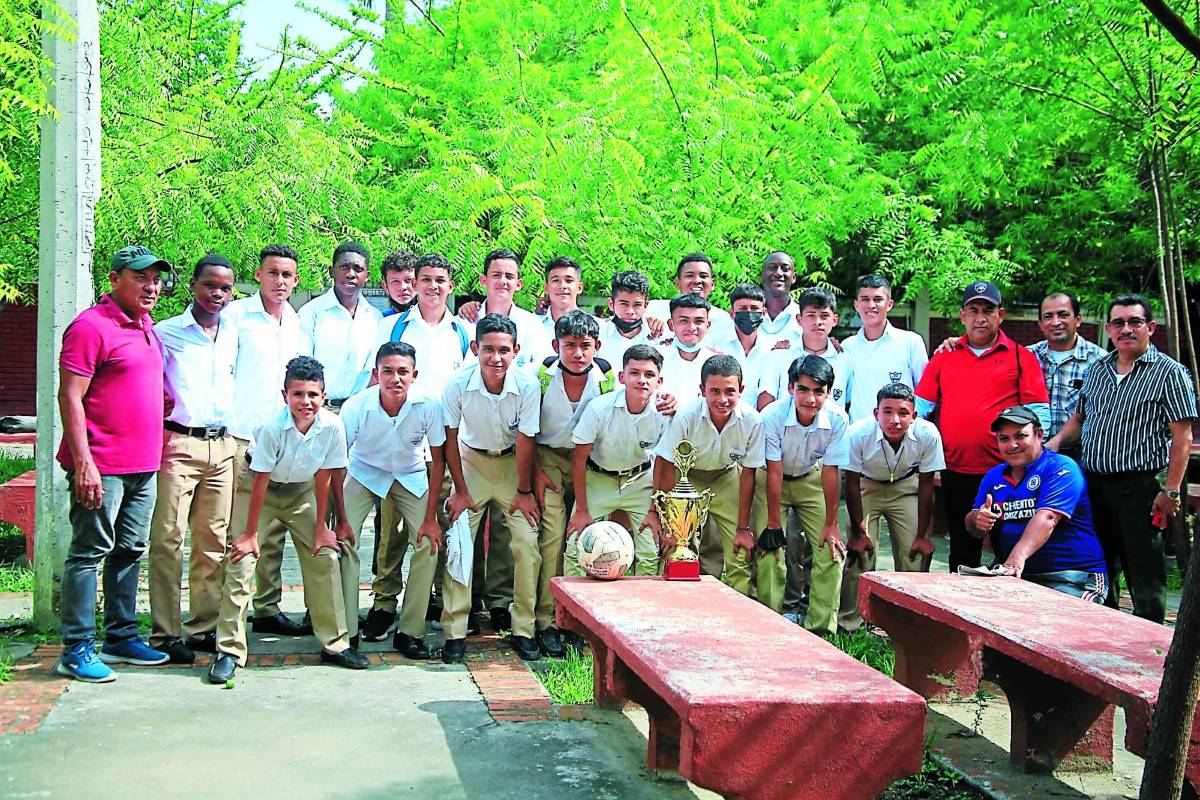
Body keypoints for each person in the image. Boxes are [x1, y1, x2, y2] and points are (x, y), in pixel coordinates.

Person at [56, 245, 172, 682]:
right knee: (89, 553)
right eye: (140, 277)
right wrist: (83, 462)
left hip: (144, 463)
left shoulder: (146, 326)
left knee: (130, 550)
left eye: (156, 279)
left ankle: (121, 637)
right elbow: (70, 396)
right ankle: (77, 647)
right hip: (102, 464)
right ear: (115, 280)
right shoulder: (91, 326)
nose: (151, 287)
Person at [216, 356, 368, 682]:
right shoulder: (272, 428)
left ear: (324, 396)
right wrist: (251, 534)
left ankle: (335, 644)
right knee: (242, 561)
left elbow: (328, 475)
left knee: (325, 555)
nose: (306, 402)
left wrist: (322, 528)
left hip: (301, 492)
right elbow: (259, 482)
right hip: (261, 491)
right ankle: (229, 649)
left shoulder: (332, 426)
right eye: (298, 394)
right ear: (285, 395)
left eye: (313, 394)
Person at [1048, 294, 1196, 622]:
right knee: (1100, 566)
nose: (1125, 329)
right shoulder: (1099, 369)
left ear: (1151, 327)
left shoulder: (1170, 373)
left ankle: (1148, 647)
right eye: (1118, 323)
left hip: (1141, 487)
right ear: (1109, 329)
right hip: (1096, 484)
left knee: (1143, 571)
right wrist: (1055, 441)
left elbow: (1182, 437)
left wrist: (1170, 490)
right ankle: (1104, 636)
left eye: (1134, 322)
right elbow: (1081, 417)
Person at [914, 281, 1049, 572]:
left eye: (988, 310)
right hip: (955, 471)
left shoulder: (1020, 357)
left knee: (1009, 552)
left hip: (1007, 474)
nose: (980, 317)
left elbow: (1039, 417)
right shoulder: (945, 356)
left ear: (1000, 314)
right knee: (962, 553)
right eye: (973, 310)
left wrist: (1033, 467)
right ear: (962, 316)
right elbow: (920, 409)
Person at [147, 253, 238, 665]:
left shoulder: (234, 332)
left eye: (224, 288)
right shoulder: (166, 333)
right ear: (192, 286)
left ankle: (202, 627)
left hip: (222, 447)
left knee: (213, 542)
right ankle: (164, 632)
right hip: (178, 444)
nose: (217, 294)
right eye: (209, 286)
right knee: (168, 538)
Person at [441, 314, 542, 663]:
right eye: (488, 349)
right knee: (459, 542)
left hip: (514, 465)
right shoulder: (457, 384)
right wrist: (459, 489)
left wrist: (525, 491)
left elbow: (527, 440)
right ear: (474, 349)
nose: (495, 358)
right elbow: (449, 439)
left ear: (516, 350)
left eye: (503, 350)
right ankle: (455, 629)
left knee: (527, 544)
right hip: (472, 464)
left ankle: (524, 628)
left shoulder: (528, 385)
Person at [223, 244, 310, 638]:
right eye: (272, 273)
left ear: (296, 280)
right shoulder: (235, 317)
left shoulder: (296, 322)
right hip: (242, 438)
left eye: (287, 275)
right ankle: (223, 622)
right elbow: (222, 373)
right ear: (258, 275)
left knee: (273, 531)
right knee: (239, 533)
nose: (280, 281)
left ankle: (268, 607)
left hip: (285, 439)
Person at [339, 342, 447, 656]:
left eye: (403, 372)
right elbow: (337, 461)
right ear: (376, 374)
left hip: (409, 475)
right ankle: (346, 631)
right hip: (364, 472)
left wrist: (429, 520)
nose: (395, 379)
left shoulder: (429, 405)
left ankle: (410, 631)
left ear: (415, 375)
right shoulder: (357, 406)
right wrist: (340, 518)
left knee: (429, 543)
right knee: (344, 543)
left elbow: (438, 460)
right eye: (387, 371)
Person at [531, 311, 615, 658]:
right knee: (552, 538)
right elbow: (526, 427)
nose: (578, 353)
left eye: (585, 346)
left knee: (584, 538)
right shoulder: (541, 377)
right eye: (569, 346)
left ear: (597, 346)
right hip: (548, 458)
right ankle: (547, 621)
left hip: (589, 463)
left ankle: (578, 622)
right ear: (556, 346)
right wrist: (534, 471)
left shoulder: (607, 378)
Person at [966, 406, 1107, 601]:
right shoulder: (994, 475)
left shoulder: (1061, 467)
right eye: (1004, 439)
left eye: (1020, 436)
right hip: (1016, 577)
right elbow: (973, 527)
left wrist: (1013, 563)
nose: (1012, 445)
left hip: (1073, 577)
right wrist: (978, 519)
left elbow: (1048, 518)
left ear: (1039, 435)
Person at [646, 356, 765, 587]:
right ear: (702, 390)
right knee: (675, 545)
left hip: (727, 476)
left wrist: (742, 527)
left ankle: (737, 610)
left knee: (739, 551)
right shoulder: (686, 416)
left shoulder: (752, 421)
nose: (723, 399)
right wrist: (670, 524)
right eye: (715, 391)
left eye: (730, 391)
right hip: (686, 478)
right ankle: (673, 604)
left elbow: (749, 473)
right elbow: (667, 464)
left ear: (741, 389)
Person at [751, 355, 848, 632]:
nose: (810, 398)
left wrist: (832, 524)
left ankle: (820, 628)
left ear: (828, 392)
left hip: (810, 479)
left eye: (819, 391)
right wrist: (772, 525)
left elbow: (831, 472)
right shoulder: (772, 415)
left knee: (831, 551)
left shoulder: (838, 419)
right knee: (771, 550)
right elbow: (774, 471)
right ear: (791, 387)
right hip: (771, 480)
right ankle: (769, 624)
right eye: (803, 389)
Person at [838, 383, 944, 632]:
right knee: (862, 551)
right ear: (876, 414)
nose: (895, 420)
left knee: (914, 552)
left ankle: (907, 622)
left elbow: (927, 485)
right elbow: (851, 482)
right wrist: (858, 532)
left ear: (914, 416)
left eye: (903, 413)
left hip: (906, 487)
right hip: (866, 486)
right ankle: (851, 622)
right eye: (887, 411)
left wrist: (922, 535)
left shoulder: (928, 434)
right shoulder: (858, 433)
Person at [567, 344, 672, 577]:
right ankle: (571, 612)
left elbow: (663, 464)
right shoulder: (599, 409)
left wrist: (654, 510)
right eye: (634, 373)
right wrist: (582, 509)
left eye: (649, 375)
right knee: (576, 546)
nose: (642, 380)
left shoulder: (664, 413)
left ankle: (641, 610)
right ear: (622, 377)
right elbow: (579, 460)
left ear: (659, 381)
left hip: (640, 481)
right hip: (598, 479)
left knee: (649, 550)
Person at [298, 241, 382, 411]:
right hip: (320, 409)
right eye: (344, 267)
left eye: (358, 269)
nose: (351, 274)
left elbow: (375, 369)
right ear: (331, 271)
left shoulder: (375, 317)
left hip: (361, 409)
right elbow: (302, 364)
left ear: (367, 276)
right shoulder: (311, 312)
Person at [839, 274, 929, 424]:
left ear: (889, 304)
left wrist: (913, 426)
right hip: (859, 437)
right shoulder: (847, 347)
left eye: (878, 299)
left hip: (901, 435)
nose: (871, 305)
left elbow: (924, 394)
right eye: (865, 299)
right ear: (856, 305)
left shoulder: (911, 342)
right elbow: (843, 396)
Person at [1027, 292, 1105, 460]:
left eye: (1063, 315)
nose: (1056, 322)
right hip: (1032, 456)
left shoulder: (1100, 362)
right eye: (1048, 316)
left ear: (1078, 319)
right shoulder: (1026, 357)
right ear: (1040, 324)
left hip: (1082, 456)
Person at [456, 247, 552, 373]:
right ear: (483, 281)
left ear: (519, 284)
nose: (503, 281)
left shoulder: (532, 324)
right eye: (496, 275)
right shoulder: (464, 323)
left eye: (509, 276)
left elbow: (544, 367)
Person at [760, 287, 846, 407]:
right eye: (811, 315)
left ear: (835, 319)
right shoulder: (780, 355)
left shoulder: (845, 359)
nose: (818, 322)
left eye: (824, 315)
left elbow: (847, 404)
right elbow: (765, 404)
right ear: (799, 319)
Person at [709, 284, 775, 410]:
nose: (749, 313)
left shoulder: (772, 349)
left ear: (764, 313)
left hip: (756, 422)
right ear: (732, 313)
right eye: (743, 308)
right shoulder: (714, 344)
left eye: (754, 308)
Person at [646, 253, 735, 343]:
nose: (697, 281)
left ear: (712, 284)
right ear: (678, 283)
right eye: (689, 275)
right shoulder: (653, 310)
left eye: (703, 276)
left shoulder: (725, 322)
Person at [656, 293, 720, 402]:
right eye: (683, 321)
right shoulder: (655, 359)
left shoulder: (718, 363)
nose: (691, 327)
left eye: (699, 321)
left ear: (708, 325)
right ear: (671, 325)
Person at [598, 270, 664, 368]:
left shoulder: (659, 338)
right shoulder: (598, 335)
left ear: (646, 305)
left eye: (637, 305)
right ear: (611, 304)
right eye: (624, 304)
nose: (630, 311)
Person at [758, 251, 803, 347]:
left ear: (793, 277)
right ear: (761, 275)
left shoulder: (804, 317)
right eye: (772, 268)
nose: (778, 273)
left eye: (785, 269)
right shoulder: (746, 315)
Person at [536, 256, 588, 338]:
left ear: (580, 287)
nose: (562, 286)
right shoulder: (531, 324)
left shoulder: (596, 326)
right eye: (556, 280)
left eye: (569, 281)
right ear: (546, 288)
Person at [380, 250, 417, 315]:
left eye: (408, 280)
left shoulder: (435, 319)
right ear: (385, 286)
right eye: (395, 281)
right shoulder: (379, 321)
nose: (403, 287)